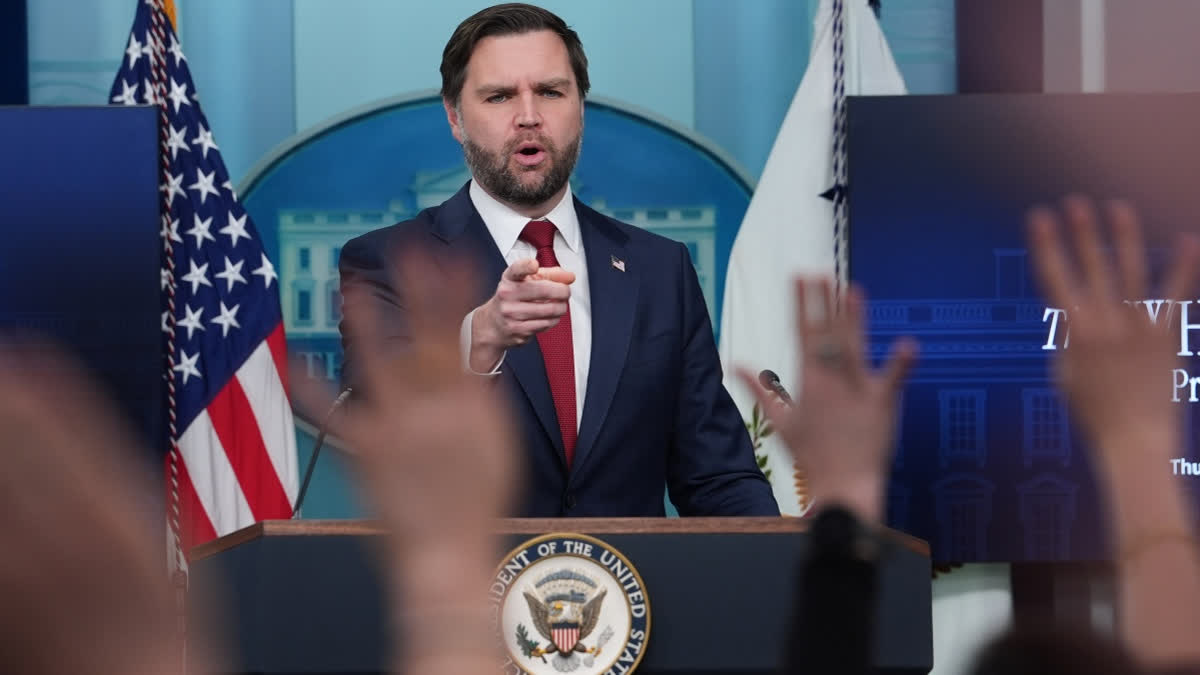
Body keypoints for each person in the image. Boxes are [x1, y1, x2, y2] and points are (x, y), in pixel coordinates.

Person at [337, 3, 778, 518]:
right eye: (500, 96)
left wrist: (789, 564)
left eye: (550, 91)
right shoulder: (388, 262)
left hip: (636, 592)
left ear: (580, 108)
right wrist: (478, 338)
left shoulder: (662, 270)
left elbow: (716, 476)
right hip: (470, 591)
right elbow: (378, 422)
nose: (529, 115)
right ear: (455, 117)